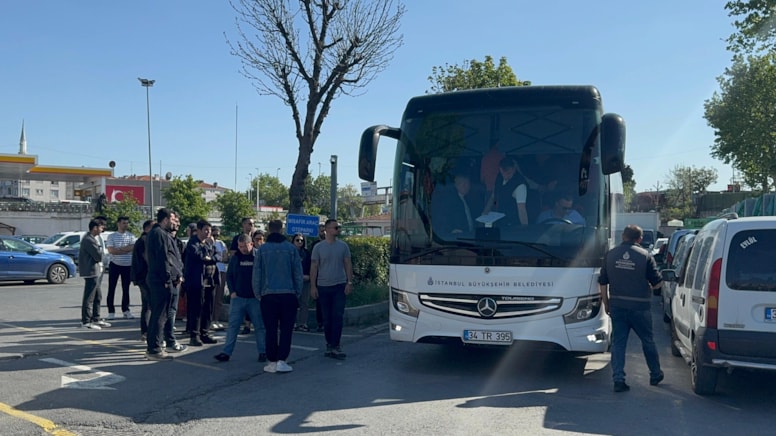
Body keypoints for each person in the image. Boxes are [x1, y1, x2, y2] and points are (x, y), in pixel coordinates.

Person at [598, 225, 664, 392]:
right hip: (640, 307)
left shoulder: (610, 255)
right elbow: (657, 284)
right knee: (647, 341)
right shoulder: (645, 256)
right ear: (639, 239)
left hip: (618, 306)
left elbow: (603, 282)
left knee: (619, 343)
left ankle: (618, 379)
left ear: (623, 236)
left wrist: (606, 303)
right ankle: (655, 373)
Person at [253, 220, 303, 373]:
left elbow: (257, 274)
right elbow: (298, 273)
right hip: (288, 294)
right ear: (282, 230)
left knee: (270, 329)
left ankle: (272, 361)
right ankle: (282, 360)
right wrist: (297, 293)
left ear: (268, 230)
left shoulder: (263, 250)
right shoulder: (291, 249)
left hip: (268, 295)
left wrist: (258, 293)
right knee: (287, 329)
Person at [213, 234, 267, 363]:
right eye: (240, 246)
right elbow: (230, 275)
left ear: (251, 244)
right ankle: (226, 353)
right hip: (238, 298)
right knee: (233, 327)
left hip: (255, 298)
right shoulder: (236, 257)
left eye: (244, 246)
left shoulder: (258, 256)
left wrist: (261, 293)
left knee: (259, 327)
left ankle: (263, 352)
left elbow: (265, 275)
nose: (242, 249)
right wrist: (232, 292)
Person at [145, 208, 187, 360]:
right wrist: (167, 279)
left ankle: (155, 346)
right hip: (161, 281)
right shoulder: (159, 234)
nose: (174, 222)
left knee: (160, 315)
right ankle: (154, 349)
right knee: (159, 315)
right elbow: (163, 259)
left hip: (162, 280)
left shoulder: (161, 234)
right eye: (173, 219)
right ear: (165, 219)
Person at [310, 219, 353, 360]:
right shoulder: (318, 248)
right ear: (327, 229)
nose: (338, 230)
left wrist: (349, 282)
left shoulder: (343, 246)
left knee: (337, 316)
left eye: (339, 227)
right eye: (336, 227)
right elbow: (314, 267)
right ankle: (329, 344)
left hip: (339, 285)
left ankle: (336, 345)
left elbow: (347, 263)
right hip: (323, 287)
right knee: (327, 318)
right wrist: (313, 286)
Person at [184, 219, 220, 347]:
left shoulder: (209, 244)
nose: (208, 233)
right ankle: (195, 335)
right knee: (196, 309)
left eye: (209, 231)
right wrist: (209, 257)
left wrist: (210, 257)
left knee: (208, 309)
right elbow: (199, 256)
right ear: (198, 230)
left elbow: (218, 256)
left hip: (210, 281)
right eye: (205, 230)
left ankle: (205, 333)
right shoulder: (192, 243)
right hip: (196, 282)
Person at [79, 219, 110, 330]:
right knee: (89, 297)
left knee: (98, 295)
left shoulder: (93, 238)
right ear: (95, 227)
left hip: (96, 271)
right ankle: (86, 321)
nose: (102, 229)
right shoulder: (89, 240)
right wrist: (102, 253)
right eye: (101, 227)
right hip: (91, 271)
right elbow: (97, 255)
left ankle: (96, 318)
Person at [106, 216, 137, 319]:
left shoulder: (131, 236)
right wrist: (125, 250)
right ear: (118, 224)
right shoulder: (112, 236)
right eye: (124, 223)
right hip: (115, 264)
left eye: (127, 223)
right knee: (112, 288)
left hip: (127, 265)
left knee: (126, 289)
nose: (125, 225)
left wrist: (119, 249)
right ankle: (111, 311)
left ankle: (126, 309)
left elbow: (132, 247)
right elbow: (111, 250)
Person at [484, 156, 529, 227]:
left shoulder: (520, 185)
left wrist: (525, 228)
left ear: (514, 169)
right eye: (503, 173)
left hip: (512, 224)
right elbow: (493, 196)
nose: (505, 176)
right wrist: (485, 211)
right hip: (498, 221)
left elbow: (522, 210)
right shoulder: (499, 177)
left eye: (508, 173)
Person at [130, 219, 154, 341]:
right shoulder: (145, 240)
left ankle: (145, 331)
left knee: (147, 304)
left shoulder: (142, 240)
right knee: (149, 304)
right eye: (153, 227)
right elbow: (147, 259)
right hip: (144, 276)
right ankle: (147, 331)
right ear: (146, 229)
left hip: (141, 276)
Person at [293, 232, 312, 332]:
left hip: (305, 281)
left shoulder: (307, 253)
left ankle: (302, 323)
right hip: (293, 282)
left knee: (304, 303)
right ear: (293, 241)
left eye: (301, 240)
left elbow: (311, 266)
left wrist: (308, 276)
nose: (299, 242)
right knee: (293, 303)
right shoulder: (290, 252)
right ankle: (293, 322)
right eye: (297, 240)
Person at [211, 226, 228, 331]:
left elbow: (225, 257)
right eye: (214, 234)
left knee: (219, 297)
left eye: (218, 235)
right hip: (212, 270)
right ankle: (210, 319)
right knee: (211, 297)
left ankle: (216, 320)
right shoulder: (209, 243)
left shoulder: (221, 243)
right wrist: (218, 258)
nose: (216, 237)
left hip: (221, 270)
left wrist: (218, 258)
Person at [311, 224, 326, 332]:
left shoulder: (335, 245)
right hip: (318, 278)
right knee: (319, 303)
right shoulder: (315, 246)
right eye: (321, 231)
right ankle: (320, 323)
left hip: (332, 278)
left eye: (324, 231)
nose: (323, 233)